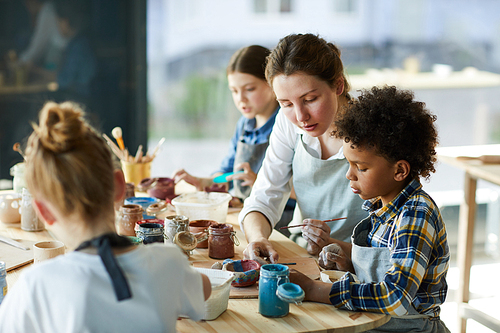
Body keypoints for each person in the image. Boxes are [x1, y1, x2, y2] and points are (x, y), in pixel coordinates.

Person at [0, 101, 211, 332]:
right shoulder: (168, 263)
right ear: (120, 186)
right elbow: (204, 289)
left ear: (44, 212)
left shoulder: (35, 288)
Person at [290, 86, 450, 333]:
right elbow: (384, 264)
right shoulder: (382, 205)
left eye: (361, 168)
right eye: (348, 163)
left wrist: (316, 290)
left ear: (399, 171)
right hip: (376, 322)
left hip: (410, 327)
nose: (348, 174)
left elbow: (395, 297)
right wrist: (345, 257)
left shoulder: (416, 214)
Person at [239, 33, 367, 263]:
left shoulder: (373, 132)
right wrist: (257, 238)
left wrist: (336, 248)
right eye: (286, 104)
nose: (300, 116)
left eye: (309, 99)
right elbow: (264, 196)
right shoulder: (287, 123)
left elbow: (395, 241)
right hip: (305, 253)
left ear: (338, 85)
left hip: (362, 264)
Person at [173, 45, 295, 230]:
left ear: (272, 84)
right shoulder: (245, 124)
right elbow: (228, 174)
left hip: (280, 221)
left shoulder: (288, 124)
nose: (241, 99)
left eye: (249, 89)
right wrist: (205, 182)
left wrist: (262, 183)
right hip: (244, 212)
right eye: (234, 91)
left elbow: (305, 191)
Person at [53, 0, 96, 100]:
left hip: (81, 98)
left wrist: (38, 72)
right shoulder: (79, 42)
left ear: (65, 22)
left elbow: (65, 80)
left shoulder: (78, 46)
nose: (58, 26)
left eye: (58, 22)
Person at [18, 0, 68, 70]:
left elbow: (37, 47)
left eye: (27, 3)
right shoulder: (49, 7)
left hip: (59, 56)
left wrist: (20, 61)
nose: (27, 7)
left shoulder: (47, 11)